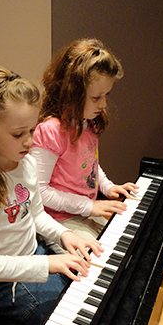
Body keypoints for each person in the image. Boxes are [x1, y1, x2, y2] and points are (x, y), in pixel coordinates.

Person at [0, 67, 103, 325]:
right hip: (0, 284)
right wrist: (45, 264)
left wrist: (64, 234)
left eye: (32, 131)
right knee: (70, 320)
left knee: (89, 289)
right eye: (18, 134)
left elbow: (35, 215)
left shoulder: (27, 165)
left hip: (33, 254)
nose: (29, 142)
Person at [30, 38, 139, 242]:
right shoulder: (51, 131)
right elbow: (39, 191)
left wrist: (107, 187)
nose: (104, 103)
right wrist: (89, 206)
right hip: (58, 220)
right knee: (95, 259)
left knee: (123, 241)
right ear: (73, 93)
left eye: (106, 95)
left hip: (83, 212)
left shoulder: (88, 122)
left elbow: (90, 165)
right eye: (96, 98)